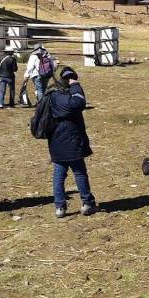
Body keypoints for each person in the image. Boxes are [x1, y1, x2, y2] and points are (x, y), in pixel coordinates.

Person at [47, 67, 97, 218]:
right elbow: (79, 103)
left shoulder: (50, 95)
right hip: (72, 140)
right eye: (68, 78)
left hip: (56, 140)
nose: (70, 80)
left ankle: (60, 207)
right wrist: (76, 85)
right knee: (79, 172)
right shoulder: (64, 97)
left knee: (59, 174)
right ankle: (87, 203)